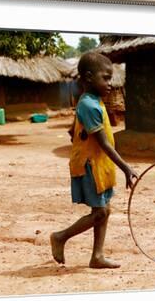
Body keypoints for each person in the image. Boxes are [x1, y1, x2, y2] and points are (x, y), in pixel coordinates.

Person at [50, 52, 138, 269]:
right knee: (100, 212)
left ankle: (97, 256)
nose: (110, 83)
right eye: (105, 78)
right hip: (91, 166)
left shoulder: (91, 101)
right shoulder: (89, 105)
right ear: (89, 77)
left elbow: (73, 131)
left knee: (104, 210)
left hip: (99, 165)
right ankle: (60, 237)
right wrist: (126, 168)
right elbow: (104, 144)